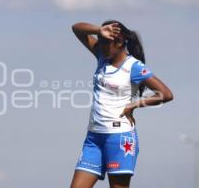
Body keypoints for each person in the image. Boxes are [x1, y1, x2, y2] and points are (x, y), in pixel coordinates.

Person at [70, 20, 173, 188]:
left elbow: (166, 94)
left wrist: (135, 104)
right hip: (93, 139)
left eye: (105, 43)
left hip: (119, 139)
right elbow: (76, 28)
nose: (101, 47)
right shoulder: (102, 57)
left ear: (119, 43)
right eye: (100, 42)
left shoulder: (134, 67)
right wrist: (99, 30)